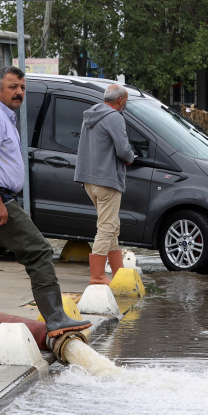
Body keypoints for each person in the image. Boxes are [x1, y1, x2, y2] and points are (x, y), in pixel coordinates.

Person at [0, 66, 90, 351]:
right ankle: (55, 318)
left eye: (21, 86)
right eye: (12, 87)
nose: (19, 92)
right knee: (39, 251)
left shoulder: (1, 116)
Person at [74, 84, 135, 286]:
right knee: (106, 227)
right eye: (125, 101)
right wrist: (131, 157)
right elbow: (123, 150)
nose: (125, 104)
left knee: (112, 226)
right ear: (120, 101)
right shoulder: (115, 117)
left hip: (89, 179)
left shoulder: (90, 115)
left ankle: (118, 273)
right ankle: (97, 276)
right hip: (107, 180)